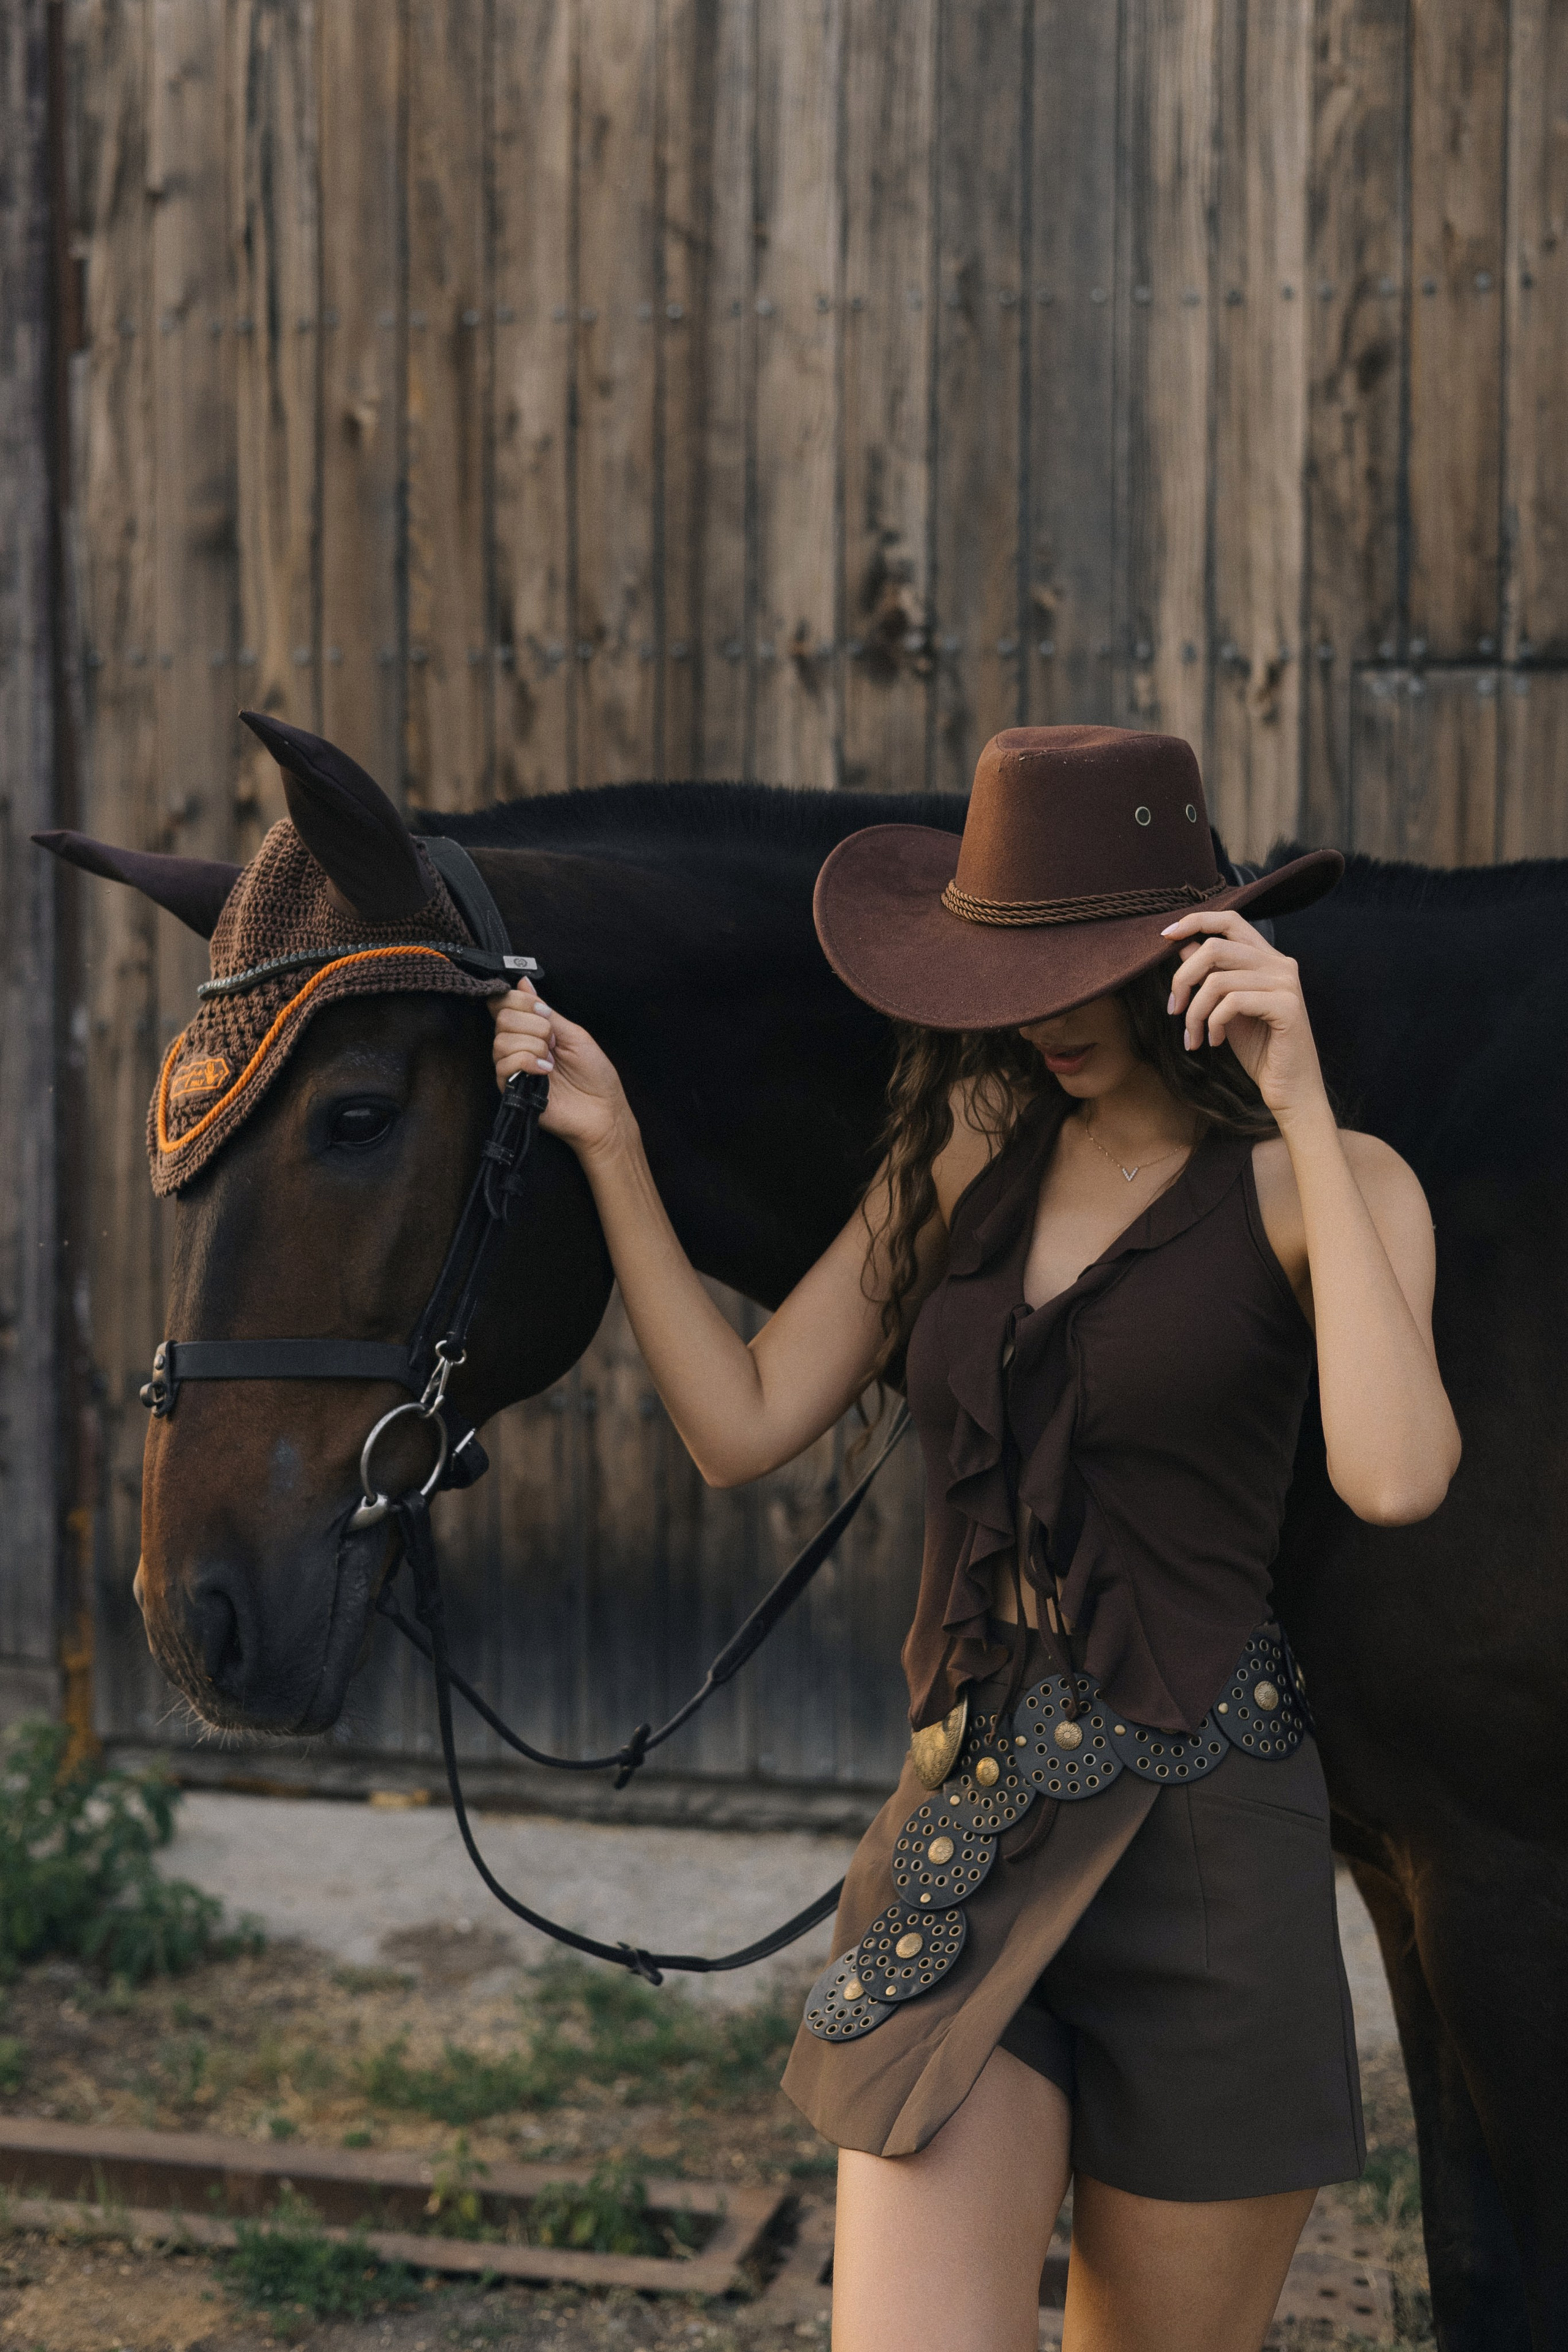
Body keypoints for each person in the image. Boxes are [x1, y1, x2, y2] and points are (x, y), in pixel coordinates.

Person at [491, 726, 1460, 2352]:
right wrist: (615, 1149)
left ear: (1188, 951)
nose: (1046, 1013)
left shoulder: (1332, 1184)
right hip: (967, 1834)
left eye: (1083, 970)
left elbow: (1398, 1476)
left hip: (1213, 1863)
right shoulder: (963, 1153)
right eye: (1012, 973)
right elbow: (741, 1421)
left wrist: (1300, 1108)